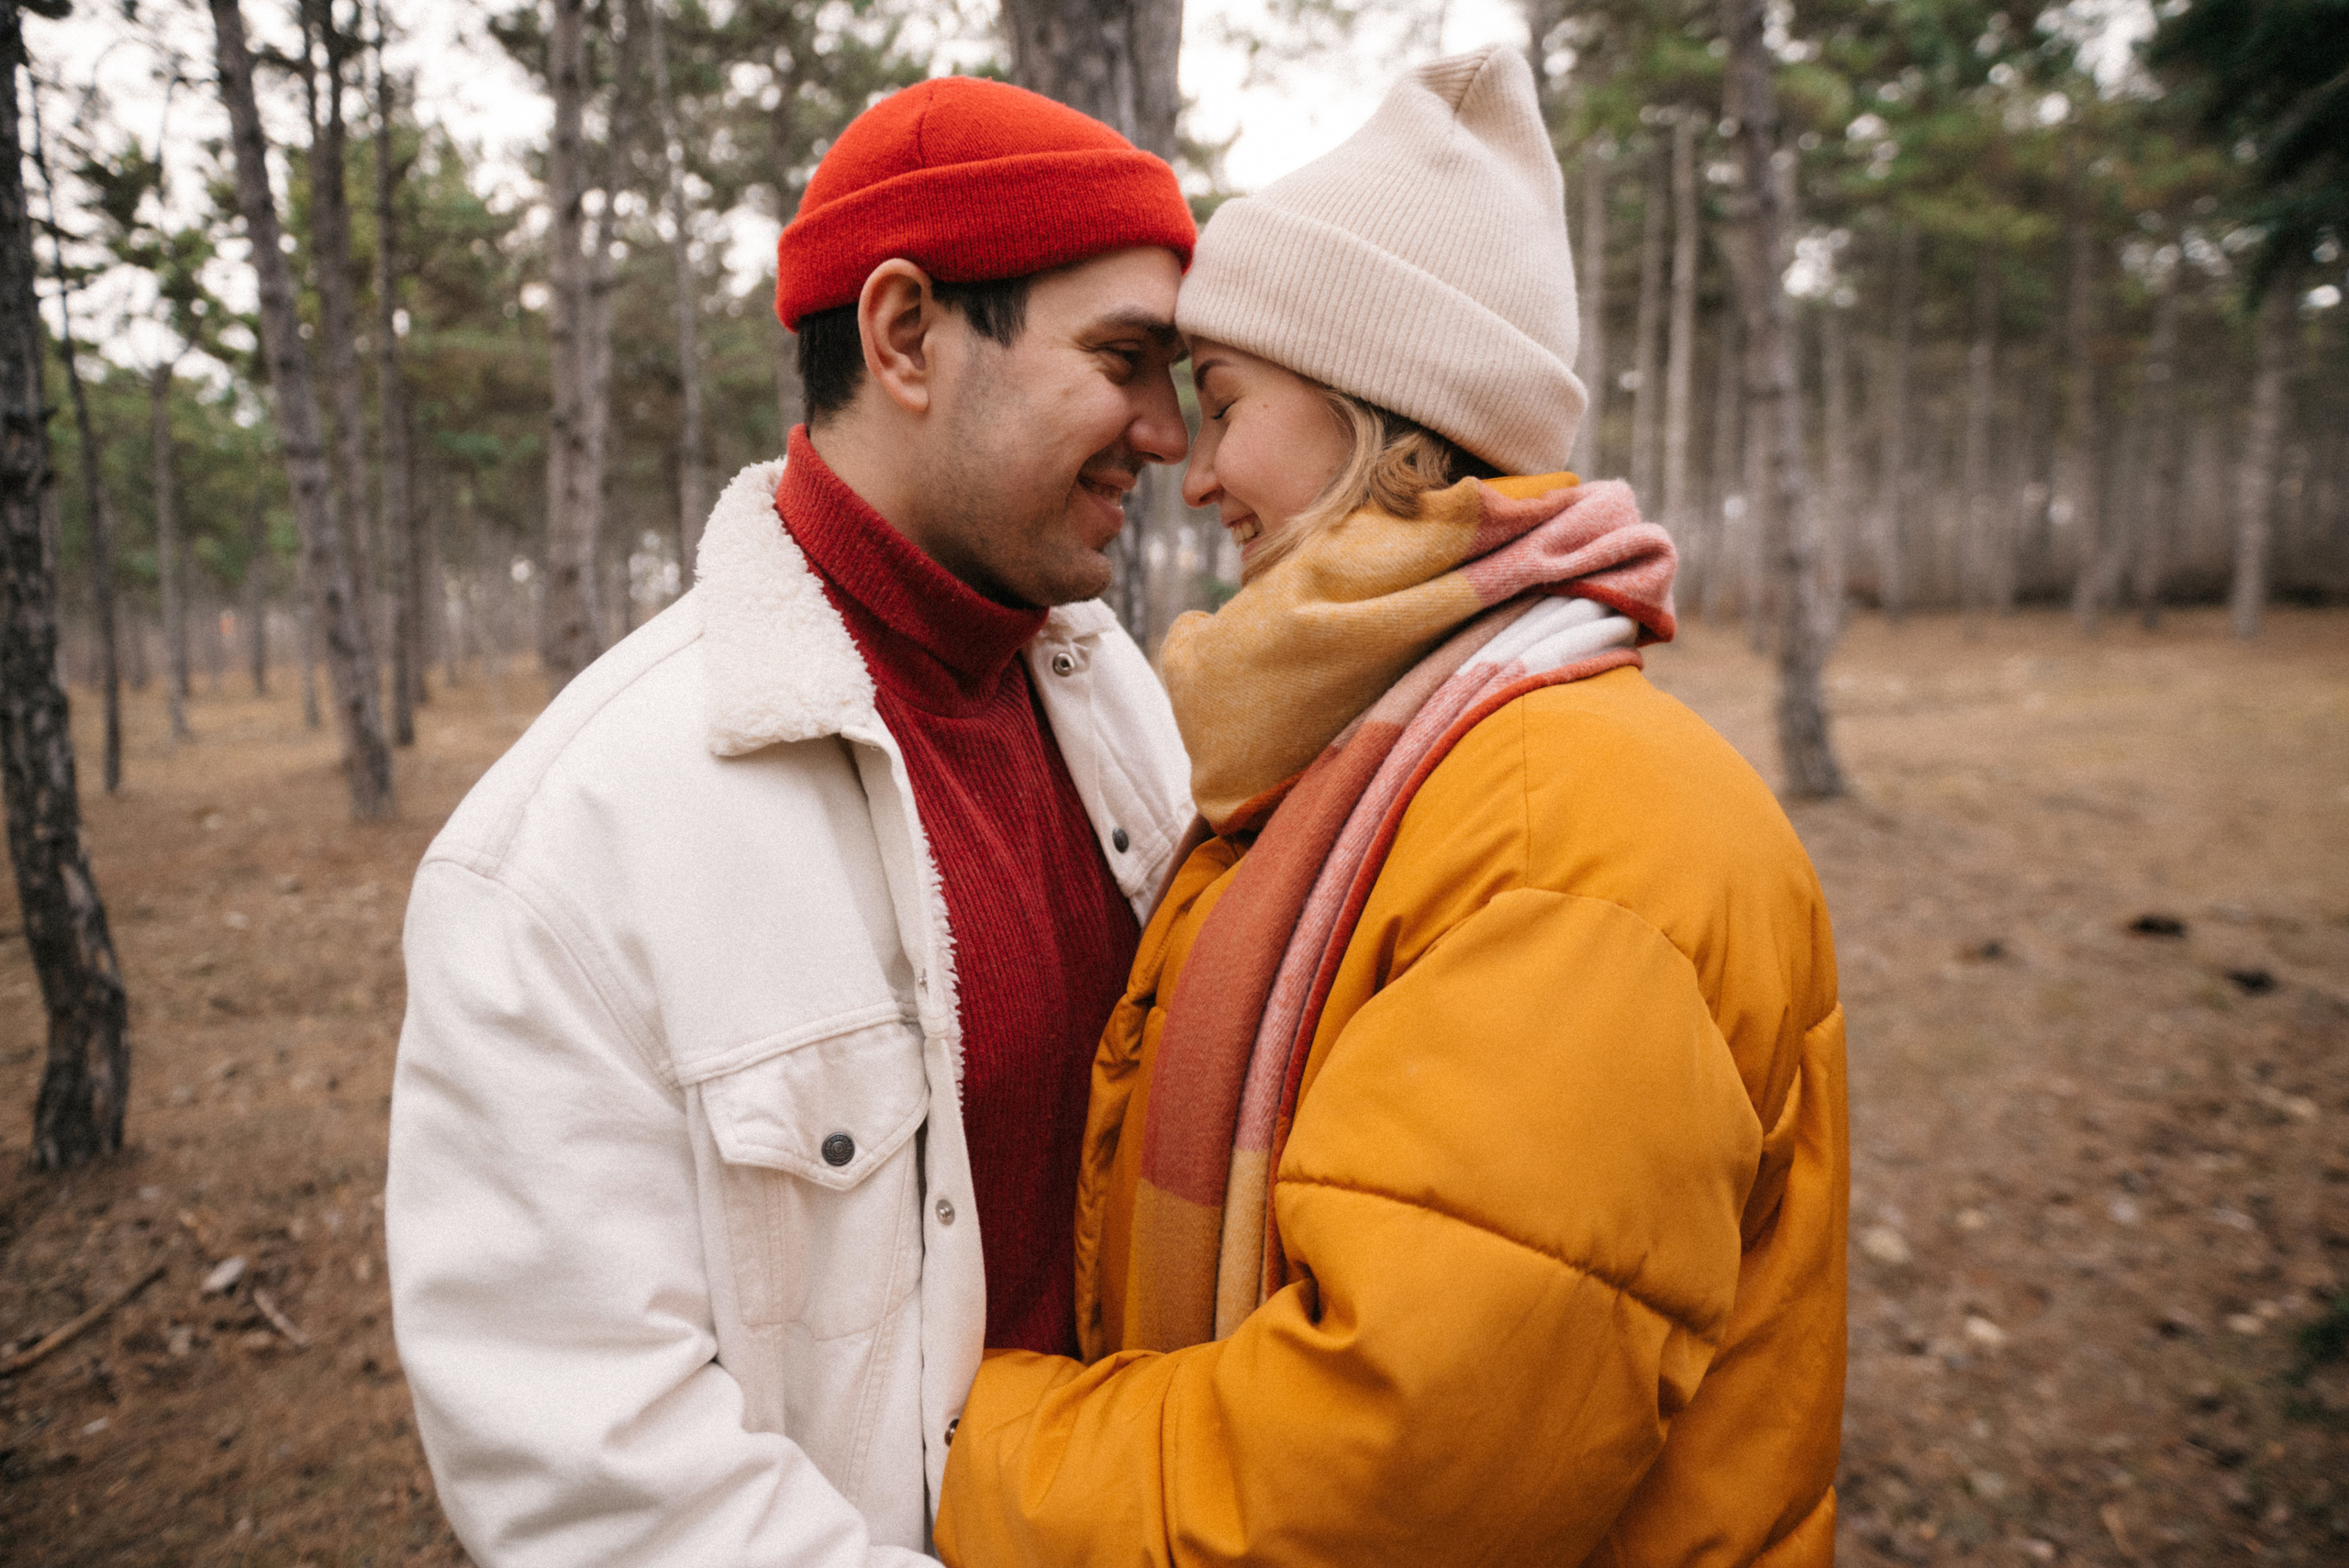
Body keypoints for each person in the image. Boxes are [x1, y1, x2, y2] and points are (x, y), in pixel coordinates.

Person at [934, 47, 1849, 1567]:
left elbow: (1392, 1467)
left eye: (1224, 403)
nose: (1196, 466)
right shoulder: (1382, 762)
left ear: (1385, 419)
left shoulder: (1579, 833)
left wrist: (973, 1447)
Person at [385, 78, 1199, 1566]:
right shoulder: (569, 849)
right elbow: (590, 1473)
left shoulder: (1123, 704)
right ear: (904, 338)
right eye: (1126, 358)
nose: (1167, 432)